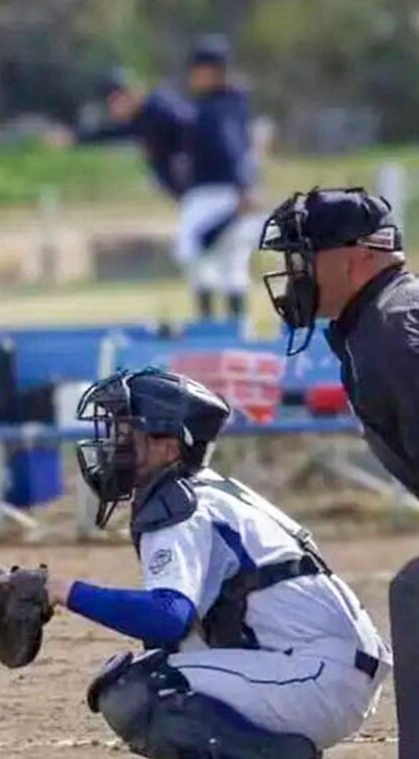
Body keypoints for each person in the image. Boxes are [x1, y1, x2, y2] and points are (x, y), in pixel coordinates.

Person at [43, 368, 391, 757]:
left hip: (317, 677)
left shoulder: (182, 507)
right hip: (326, 669)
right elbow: (171, 635)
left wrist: (64, 591)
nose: (113, 445)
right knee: (165, 661)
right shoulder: (204, 491)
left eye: (128, 433)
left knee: (141, 689)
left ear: (170, 448)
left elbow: (167, 615)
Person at [258, 186, 418, 757]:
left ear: (358, 255)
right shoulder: (373, 324)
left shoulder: (392, 331)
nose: (292, 273)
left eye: (303, 257)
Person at [175, 35, 258, 321]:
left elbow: (231, 146)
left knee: (196, 258)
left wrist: (243, 185)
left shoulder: (211, 109)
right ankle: (237, 336)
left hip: (214, 193)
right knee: (233, 267)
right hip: (235, 192)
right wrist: (247, 185)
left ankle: (209, 333)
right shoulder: (236, 103)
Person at [71, 68, 192, 201]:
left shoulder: (160, 110)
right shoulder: (138, 119)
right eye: (111, 102)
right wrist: (74, 137)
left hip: (203, 187)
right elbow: (109, 132)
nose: (114, 107)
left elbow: (192, 127)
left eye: (117, 99)